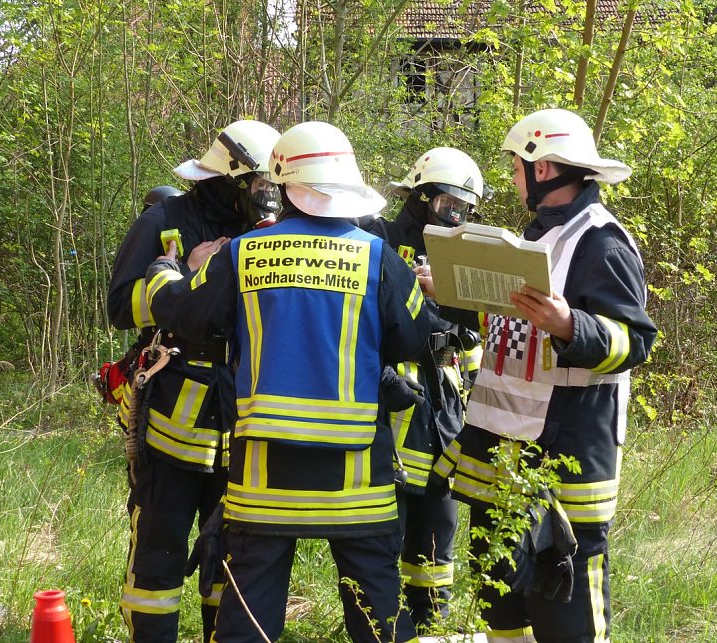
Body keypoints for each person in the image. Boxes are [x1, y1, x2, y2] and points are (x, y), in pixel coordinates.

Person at [144, 121, 429, 643]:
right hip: (356, 481)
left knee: (248, 621)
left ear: (280, 183)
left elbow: (184, 314)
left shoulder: (244, 253)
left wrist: (166, 270)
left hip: (264, 479)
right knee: (379, 619)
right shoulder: (378, 258)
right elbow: (414, 339)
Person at [426, 109, 657, 643]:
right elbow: (512, 331)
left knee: (566, 618)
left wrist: (569, 324)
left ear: (544, 167)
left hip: (566, 460)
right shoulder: (537, 236)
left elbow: (636, 343)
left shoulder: (602, 243)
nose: (511, 175)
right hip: (501, 452)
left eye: (515, 164)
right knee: (502, 606)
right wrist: (452, 290)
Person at [107, 119, 281, 642]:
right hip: (170, 420)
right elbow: (120, 306)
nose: (269, 199)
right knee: (158, 557)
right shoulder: (167, 219)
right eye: (260, 187)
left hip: (241, 422)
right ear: (229, 180)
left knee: (228, 562)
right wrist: (186, 277)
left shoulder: (271, 234)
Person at [363, 147, 486, 628]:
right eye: (447, 205)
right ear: (420, 196)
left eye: (463, 209)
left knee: (437, 541)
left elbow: (473, 336)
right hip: (389, 409)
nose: (455, 216)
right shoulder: (379, 238)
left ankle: (433, 625)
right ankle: (386, 629)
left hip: (444, 413)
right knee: (382, 538)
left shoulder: (463, 258)